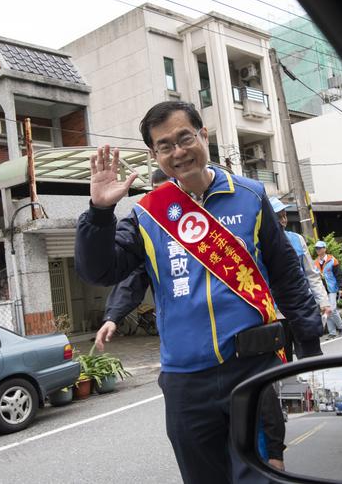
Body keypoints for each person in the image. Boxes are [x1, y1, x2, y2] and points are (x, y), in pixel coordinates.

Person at [75, 101, 322, 484]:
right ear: (154, 155)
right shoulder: (148, 214)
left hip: (252, 368)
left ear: (203, 135)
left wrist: (310, 349)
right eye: (164, 146)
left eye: (184, 138)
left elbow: (288, 277)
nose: (178, 152)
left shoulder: (250, 196)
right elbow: (101, 270)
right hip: (186, 382)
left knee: (261, 476)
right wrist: (99, 212)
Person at [96, 169, 168, 343]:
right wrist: (113, 316)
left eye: (167, 189)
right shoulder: (147, 222)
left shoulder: (204, 216)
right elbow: (134, 275)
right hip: (174, 330)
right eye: (155, 190)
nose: (162, 195)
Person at [269, 196, 330, 357]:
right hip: (276, 314)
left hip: (302, 309)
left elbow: (311, 274)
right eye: (278, 216)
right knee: (283, 364)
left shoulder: (297, 239)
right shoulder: (261, 245)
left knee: (311, 358)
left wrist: (323, 301)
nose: (283, 220)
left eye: (284, 215)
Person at [313, 241, 342, 338]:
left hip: (332, 288)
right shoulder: (315, 263)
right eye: (316, 248)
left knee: (332, 309)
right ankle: (332, 332)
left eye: (319, 248)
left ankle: (341, 327)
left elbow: (339, 275)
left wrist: (340, 287)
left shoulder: (332, 260)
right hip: (322, 290)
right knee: (326, 310)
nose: (318, 250)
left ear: (324, 249)